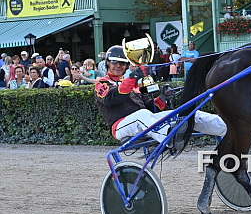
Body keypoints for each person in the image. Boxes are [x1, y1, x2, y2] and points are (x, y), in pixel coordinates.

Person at [94, 45, 227, 147]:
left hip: (143, 121)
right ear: (107, 63)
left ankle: (228, 128)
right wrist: (134, 77)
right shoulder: (102, 83)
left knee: (184, 114)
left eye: (122, 63)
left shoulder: (134, 84)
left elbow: (149, 108)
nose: (118, 66)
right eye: (114, 62)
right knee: (142, 115)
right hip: (120, 126)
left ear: (127, 65)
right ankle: (170, 139)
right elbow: (112, 99)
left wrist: (162, 99)